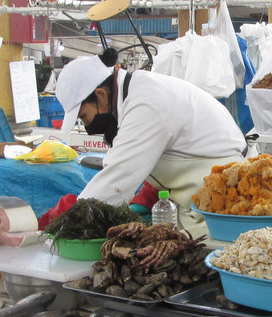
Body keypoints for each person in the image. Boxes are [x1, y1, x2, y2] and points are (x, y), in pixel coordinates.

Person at [46, 52, 248, 234]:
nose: (87, 125)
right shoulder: (139, 91)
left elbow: (118, 176)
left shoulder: (145, 103)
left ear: (101, 95)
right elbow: (165, 156)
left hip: (221, 204)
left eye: (84, 116)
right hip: (199, 201)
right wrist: (144, 201)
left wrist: (70, 219)